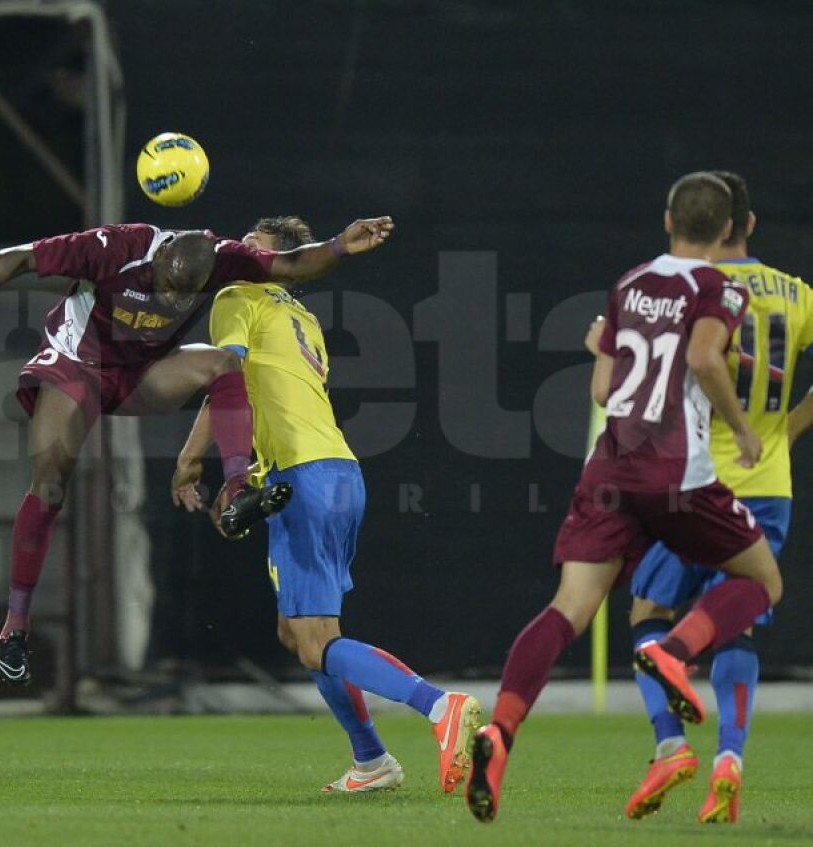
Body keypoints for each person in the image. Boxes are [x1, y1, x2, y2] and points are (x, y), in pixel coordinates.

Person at [0, 216, 394, 685]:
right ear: (162, 260)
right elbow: (24, 256)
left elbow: (290, 263)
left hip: (137, 376)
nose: (175, 302)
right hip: (77, 367)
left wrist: (338, 246)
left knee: (223, 363)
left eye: (187, 295)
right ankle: (15, 625)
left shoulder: (221, 258)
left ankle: (236, 487)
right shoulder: (113, 247)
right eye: (170, 288)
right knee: (49, 486)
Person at [464, 172, 783, 824]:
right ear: (727, 230)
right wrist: (743, 428)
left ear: (668, 219)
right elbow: (701, 357)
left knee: (568, 608)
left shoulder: (632, 283)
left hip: (607, 469)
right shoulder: (720, 286)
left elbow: (605, 390)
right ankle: (676, 650)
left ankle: (500, 730)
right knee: (762, 579)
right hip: (676, 471)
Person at [171, 216, 480, 795]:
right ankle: (372, 760)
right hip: (337, 470)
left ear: (275, 259)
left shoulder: (240, 294)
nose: (239, 248)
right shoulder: (302, 317)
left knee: (312, 638)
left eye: (253, 244)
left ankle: (440, 707)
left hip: (304, 475)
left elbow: (226, 380)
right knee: (300, 633)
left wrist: (192, 459)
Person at [617, 172, 813, 823]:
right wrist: (783, 430)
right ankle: (730, 756)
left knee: (647, 609)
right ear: (745, 226)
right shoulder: (797, 293)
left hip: (699, 480)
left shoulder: (694, 291)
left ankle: (670, 744)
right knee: (740, 617)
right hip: (771, 485)